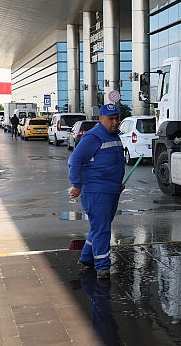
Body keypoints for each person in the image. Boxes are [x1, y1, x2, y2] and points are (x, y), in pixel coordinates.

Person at [68, 103, 125, 280]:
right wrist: (76, 184)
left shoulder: (114, 136)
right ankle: (102, 267)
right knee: (102, 229)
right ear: (100, 119)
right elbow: (75, 161)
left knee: (99, 227)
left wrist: (118, 183)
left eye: (117, 118)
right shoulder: (93, 137)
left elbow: (113, 163)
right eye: (110, 119)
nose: (114, 122)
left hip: (111, 190)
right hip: (97, 192)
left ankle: (86, 257)